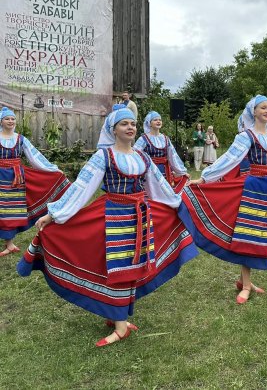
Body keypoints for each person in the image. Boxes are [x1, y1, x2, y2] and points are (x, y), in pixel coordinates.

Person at [17, 105, 198, 347]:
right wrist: (55, 214)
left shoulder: (142, 157)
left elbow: (159, 186)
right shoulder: (104, 156)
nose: (130, 127)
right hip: (114, 215)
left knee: (130, 264)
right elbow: (83, 186)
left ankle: (118, 318)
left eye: (133, 123)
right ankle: (119, 322)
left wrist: (177, 203)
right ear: (113, 130)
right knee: (117, 265)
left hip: (140, 216)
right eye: (124, 124)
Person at [179, 95, 267, 304]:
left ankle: (244, 281)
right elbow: (229, 158)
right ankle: (246, 285)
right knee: (249, 234)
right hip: (254, 188)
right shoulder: (247, 136)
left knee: (260, 235)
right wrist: (205, 177)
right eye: (263, 107)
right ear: (253, 112)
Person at [0, 107, 70, 257]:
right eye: (7, 119)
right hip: (1, 178)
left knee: (11, 210)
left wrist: (53, 170)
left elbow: (35, 157)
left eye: (12, 119)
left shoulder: (20, 139)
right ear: (1, 121)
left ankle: (9, 243)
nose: (10, 121)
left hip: (16, 179)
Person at [134, 111, 190, 193]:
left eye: (160, 120)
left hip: (164, 170)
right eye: (155, 120)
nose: (158, 121)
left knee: (165, 192)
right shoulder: (143, 139)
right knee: (153, 192)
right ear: (149, 123)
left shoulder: (165, 138)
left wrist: (182, 172)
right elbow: (135, 155)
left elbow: (173, 156)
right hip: (150, 171)